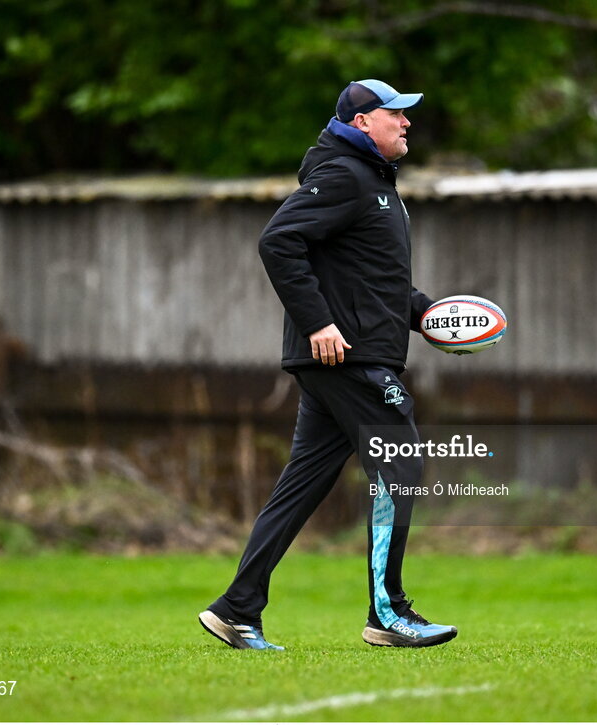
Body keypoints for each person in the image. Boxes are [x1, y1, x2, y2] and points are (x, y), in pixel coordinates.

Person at [198, 79, 457, 650]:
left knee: (301, 486)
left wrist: (429, 314)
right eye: (396, 115)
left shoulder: (373, 183)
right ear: (363, 122)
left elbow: (373, 281)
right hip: (347, 357)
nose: (407, 123)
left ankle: (237, 608)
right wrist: (318, 322)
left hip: (347, 355)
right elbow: (278, 241)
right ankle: (388, 614)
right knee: (402, 464)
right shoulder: (345, 176)